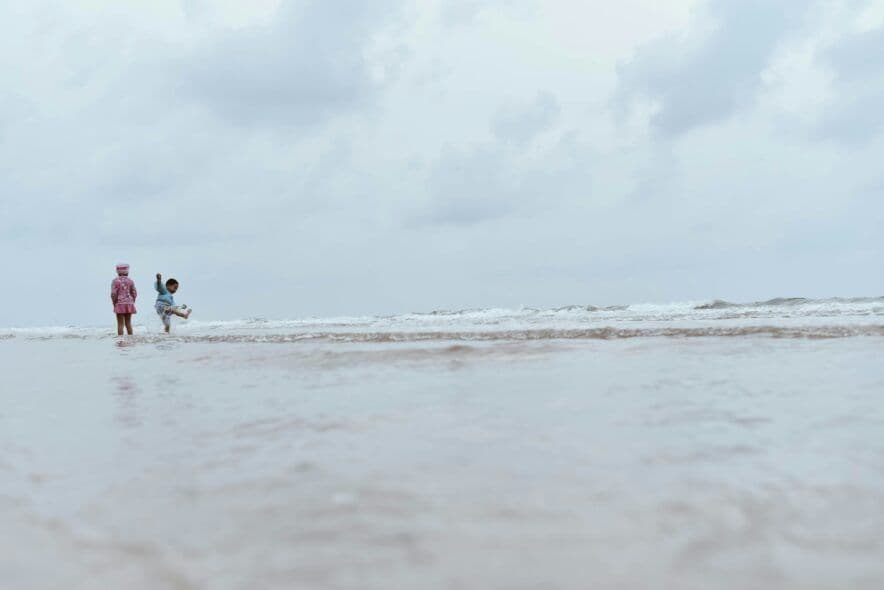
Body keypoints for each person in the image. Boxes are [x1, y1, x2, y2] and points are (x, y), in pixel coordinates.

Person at [111, 263, 137, 336]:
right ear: (127, 271)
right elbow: (134, 292)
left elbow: (113, 294)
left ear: (117, 272)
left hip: (119, 303)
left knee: (120, 323)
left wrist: (114, 303)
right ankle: (131, 338)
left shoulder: (115, 281)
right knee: (128, 323)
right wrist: (132, 301)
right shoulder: (130, 281)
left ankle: (120, 340)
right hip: (129, 303)